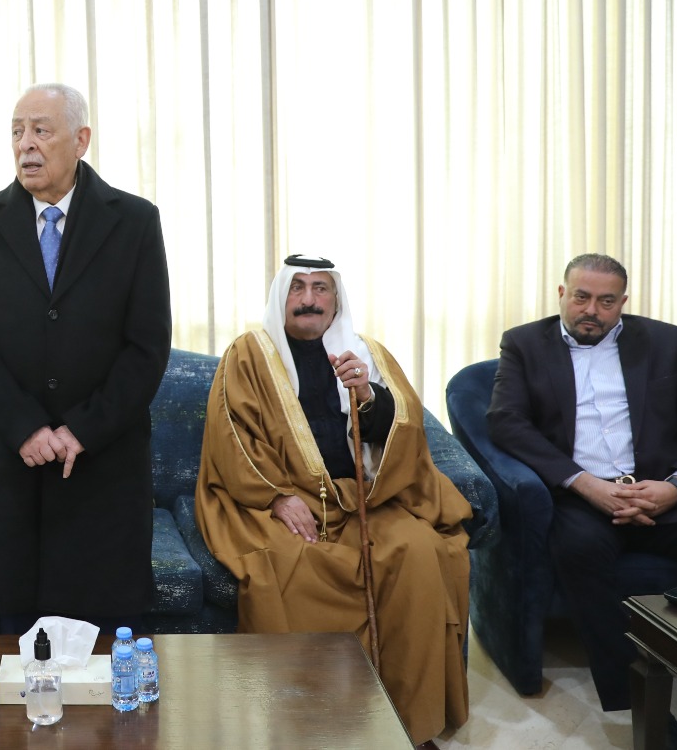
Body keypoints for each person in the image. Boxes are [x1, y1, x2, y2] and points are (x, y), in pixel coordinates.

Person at [488, 253, 677, 750]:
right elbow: (506, 423)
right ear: (562, 294)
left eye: (606, 301)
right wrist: (584, 484)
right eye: (581, 297)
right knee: (577, 551)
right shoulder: (525, 344)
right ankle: (645, 712)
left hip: (660, 492)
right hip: (582, 497)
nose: (591, 310)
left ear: (623, 302)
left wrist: (675, 486)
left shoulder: (664, 342)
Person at [195, 256, 471, 747]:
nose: (309, 299)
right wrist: (277, 498)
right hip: (280, 497)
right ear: (281, 297)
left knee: (420, 552)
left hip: (366, 497)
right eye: (297, 287)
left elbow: (407, 428)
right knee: (294, 567)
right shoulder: (249, 354)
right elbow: (232, 436)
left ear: (336, 299)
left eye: (321, 289)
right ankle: (311, 724)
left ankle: (408, 720)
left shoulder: (368, 354)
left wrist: (368, 395)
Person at [0, 83, 171, 631]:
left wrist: (82, 430)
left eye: (41, 130)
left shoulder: (134, 221)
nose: (26, 144)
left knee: (108, 650)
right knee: (14, 649)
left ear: (81, 140)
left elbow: (146, 348)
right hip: (13, 470)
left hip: (104, 470)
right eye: (17, 131)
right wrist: (26, 428)